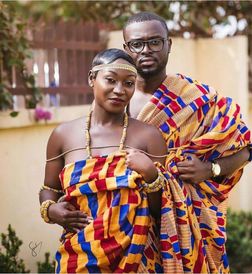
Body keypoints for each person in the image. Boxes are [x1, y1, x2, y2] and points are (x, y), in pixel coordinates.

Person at [122, 12, 252, 273]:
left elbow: (245, 148)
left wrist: (210, 169)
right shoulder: (115, 99)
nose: (146, 50)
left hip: (191, 223)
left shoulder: (197, 98)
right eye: (137, 44)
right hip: (130, 224)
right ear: (126, 49)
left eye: (155, 42)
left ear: (169, 44)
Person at [39, 48, 168, 272]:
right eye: (110, 80)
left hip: (136, 258)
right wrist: (51, 211)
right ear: (92, 78)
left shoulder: (149, 137)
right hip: (79, 257)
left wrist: (152, 175)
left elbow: (163, 212)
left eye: (128, 83)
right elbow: (48, 189)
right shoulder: (63, 135)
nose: (119, 90)